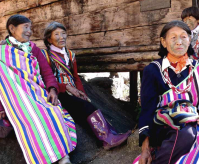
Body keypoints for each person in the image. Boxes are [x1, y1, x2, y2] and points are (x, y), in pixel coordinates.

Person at [134, 20, 199, 164]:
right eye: (173, 37)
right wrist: (145, 149)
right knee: (185, 133)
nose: (179, 41)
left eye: (183, 36)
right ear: (164, 42)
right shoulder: (153, 70)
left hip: (194, 123)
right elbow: (147, 110)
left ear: (189, 40)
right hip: (164, 126)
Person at [41, 21, 131, 151]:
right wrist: (65, 87)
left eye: (64, 33)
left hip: (73, 91)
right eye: (57, 34)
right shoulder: (45, 56)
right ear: (49, 39)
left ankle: (108, 138)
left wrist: (81, 92)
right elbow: (46, 78)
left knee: (85, 104)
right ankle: (107, 139)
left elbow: (76, 77)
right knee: (85, 108)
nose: (62, 37)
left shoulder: (70, 55)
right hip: (58, 91)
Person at [0, 15, 75, 164]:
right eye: (26, 27)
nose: (30, 31)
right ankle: (44, 158)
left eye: (30, 27)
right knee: (34, 117)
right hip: (17, 99)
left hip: (37, 91)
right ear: (12, 28)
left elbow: (46, 72)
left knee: (54, 113)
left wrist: (53, 89)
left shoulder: (33, 48)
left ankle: (63, 157)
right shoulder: (2, 51)